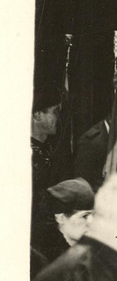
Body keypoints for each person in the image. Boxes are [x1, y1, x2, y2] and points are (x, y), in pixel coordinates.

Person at [31, 178, 94, 274]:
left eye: (93, 215)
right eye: (84, 216)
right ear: (61, 218)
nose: (91, 221)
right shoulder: (42, 261)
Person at [31, 87, 62, 233]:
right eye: (55, 112)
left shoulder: (49, 148)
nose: (59, 118)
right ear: (37, 115)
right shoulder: (25, 155)